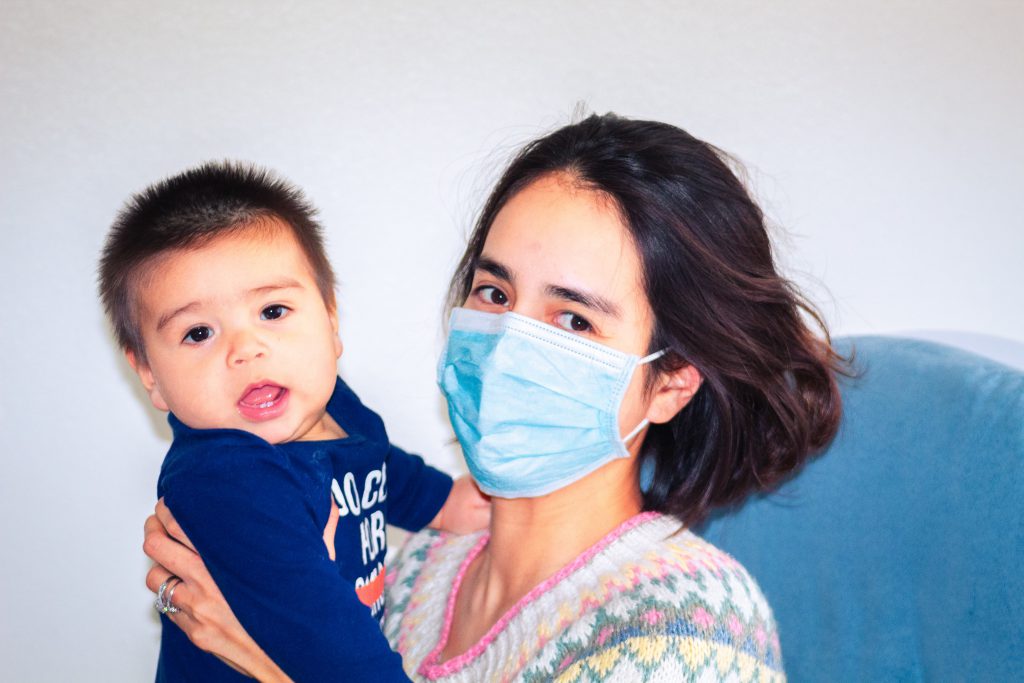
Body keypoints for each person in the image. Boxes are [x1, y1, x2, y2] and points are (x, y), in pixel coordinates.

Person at [143, 114, 845, 681]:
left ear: (672, 380)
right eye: (495, 292)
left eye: (573, 319)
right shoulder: (410, 566)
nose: (508, 343)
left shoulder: (690, 628)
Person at [99, 162, 489, 682]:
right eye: (198, 333)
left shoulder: (332, 408)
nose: (246, 350)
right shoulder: (227, 482)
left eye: (273, 311)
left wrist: (441, 502)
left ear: (330, 322)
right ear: (149, 373)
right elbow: (329, 642)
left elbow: (378, 466)